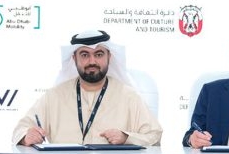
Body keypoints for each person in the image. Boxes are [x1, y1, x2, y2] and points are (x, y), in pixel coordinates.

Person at [13, 30, 162, 147]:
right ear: (74, 58)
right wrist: (26, 136)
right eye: (85, 55)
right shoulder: (54, 96)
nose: (92, 61)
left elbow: (154, 136)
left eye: (99, 54)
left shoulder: (129, 96)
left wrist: (126, 138)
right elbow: (20, 129)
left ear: (109, 57)